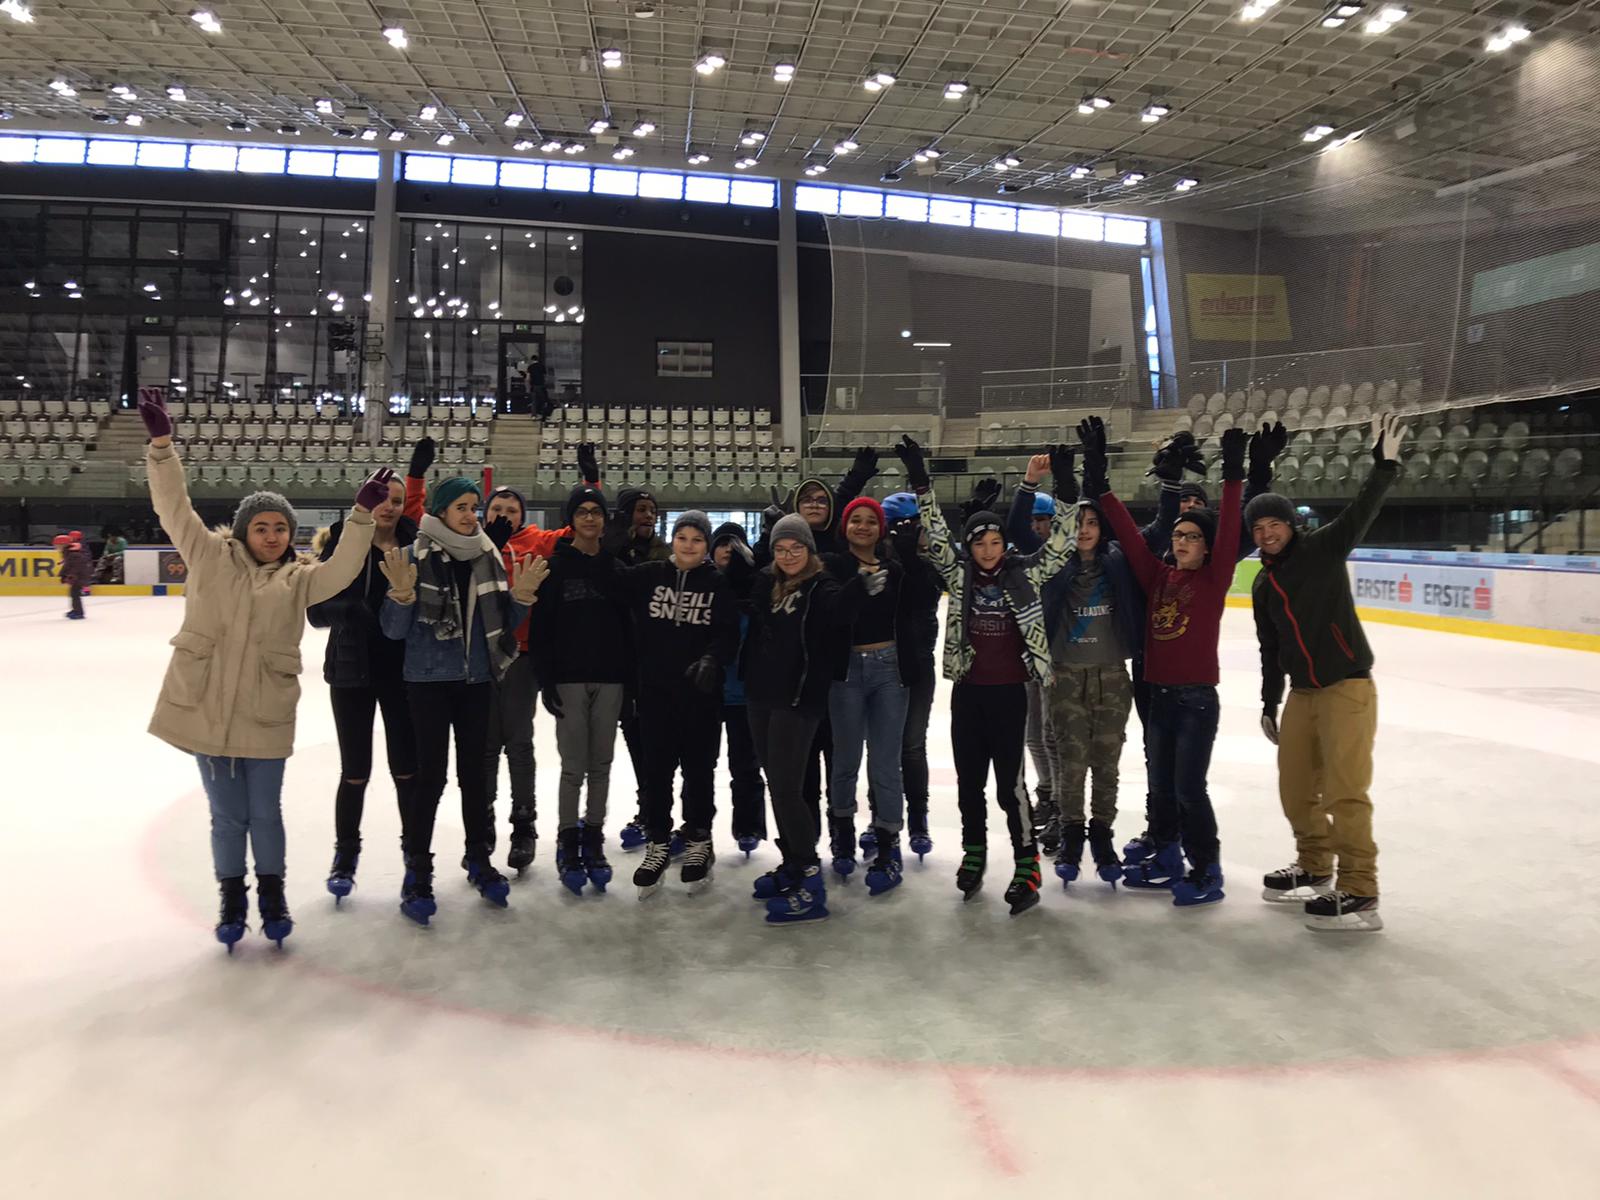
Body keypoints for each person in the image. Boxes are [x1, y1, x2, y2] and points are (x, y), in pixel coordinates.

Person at [137, 390, 389, 950]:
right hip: (205, 708)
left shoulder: (300, 578)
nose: (272, 536)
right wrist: (162, 447)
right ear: (244, 530)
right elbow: (172, 506)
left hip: (264, 712)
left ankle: (272, 896)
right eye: (262, 527)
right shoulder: (207, 555)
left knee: (265, 813)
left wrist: (361, 517)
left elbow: (345, 568)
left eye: (280, 528)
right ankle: (232, 898)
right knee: (227, 817)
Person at [897, 434, 1076, 916]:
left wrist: (1065, 486)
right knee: (970, 784)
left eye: (996, 542)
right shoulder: (960, 576)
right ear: (971, 547)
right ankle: (973, 852)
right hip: (969, 696)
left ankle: (1026, 863)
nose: (990, 550)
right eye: (981, 543)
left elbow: (1062, 545)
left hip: (1010, 697)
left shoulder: (1024, 573)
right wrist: (920, 480)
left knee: (1010, 788)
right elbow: (936, 532)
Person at [403, 438, 602, 872]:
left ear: (522, 516)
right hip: (475, 659)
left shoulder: (537, 541)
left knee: (519, 741)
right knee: (485, 746)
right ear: (484, 512)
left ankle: (524, 823)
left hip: (521, 656)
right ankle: (485, 820)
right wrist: (416, 476)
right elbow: (419, 517)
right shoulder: (469, 541)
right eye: (497, 508)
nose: (505, 515)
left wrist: (590, 481)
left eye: (513, 510)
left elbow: (583, 528)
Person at [1252, 414, 1407, 933]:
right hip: (1302, 693)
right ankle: (1315, 865)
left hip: (1346, 685)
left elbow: (1361, 512)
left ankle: (1360, 887)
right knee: (1296, 788)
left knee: (1345, 791)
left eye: (1274, 524)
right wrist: (1269, 701)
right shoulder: (1263, 585)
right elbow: (1270, 647)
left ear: (1290, 524)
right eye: (1258, 528)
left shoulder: (1322, 549)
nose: (1267, 533)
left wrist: (1384, 467)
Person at [1082, 416, 1245, 907]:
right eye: (1178, 535)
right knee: (1162, 784)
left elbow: (1231, 526)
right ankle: (1169, 856)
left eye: (1192, 536)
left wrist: (1234, 474)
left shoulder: (1213, 579)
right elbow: (1128, 535)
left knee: (1190, 790)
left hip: (1196, 702)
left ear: (1208, 547)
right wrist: (1099, 482)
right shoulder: (1158, 576)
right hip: (1160, 699)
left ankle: (1207, 869)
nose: (1181, 542)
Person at [378, 477, 549, 924]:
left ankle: (478, 857)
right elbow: (393, 630)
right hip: (428, 681)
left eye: (474, 506)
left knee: (474, 776)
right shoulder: (413, 556)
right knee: (431, 778)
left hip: (476, 680)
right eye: (462, 507)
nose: (472, 515)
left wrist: (522, 599)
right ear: (440, 510)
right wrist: (400, 597)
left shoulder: (486, 555)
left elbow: (502, 624)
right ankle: (418, 870)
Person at [736, 514, 881, 924]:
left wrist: (860, 589)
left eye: (796, 548)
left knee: (786, 789)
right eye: (781, 549)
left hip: (798, 700)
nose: (788, 556)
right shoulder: (768, 584)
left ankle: (811, 881)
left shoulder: (821, 586)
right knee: (778, 785)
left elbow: (839, 609)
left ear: (809, 550)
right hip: (762, 696)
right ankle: (793, 864)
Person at [615, 510, 741, 898]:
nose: (688, 545)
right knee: (657, 772)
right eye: (682, 537)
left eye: (697, 539)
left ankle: (699, 838)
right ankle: (658, 841)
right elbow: (610, 579)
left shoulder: (717, 583)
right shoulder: (650, 575)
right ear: (672, 539)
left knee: (699, 771)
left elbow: (728, 633)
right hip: (655, 695)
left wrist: (712, 660)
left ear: (706, 545)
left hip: (701, 697)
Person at [822, 494, 942, 894]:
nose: (863, 527)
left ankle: (888, 842)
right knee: (845, 759)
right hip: (846, 672)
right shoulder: (834, 564)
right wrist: (857, 587)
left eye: (870, 521)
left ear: (881, 529)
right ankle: (842, 831)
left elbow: (925, 598)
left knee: (886, 762)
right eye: (856, 520)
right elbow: (833, 611)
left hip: (890, 669)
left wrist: (909, 557)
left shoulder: (895, 568)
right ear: (845, 526)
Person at [306, 475, 417, 903]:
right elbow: (315, 610)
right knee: (354, 771)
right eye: (383, 499)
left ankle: (414, 854)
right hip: (351, 668)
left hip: (403, 671)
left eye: (397, 501)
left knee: (406, 769)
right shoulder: (342, 541)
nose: (389, 507)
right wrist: (350, 611)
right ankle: (345, 856)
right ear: (368, 502)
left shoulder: (415, 544)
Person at [532, 483, 631, 895]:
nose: (590, 518)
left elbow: (628, 628)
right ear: (570, 520)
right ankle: (567, 840)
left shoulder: (616, 569)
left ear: (605, 520)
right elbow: (541, 629)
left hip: (610, 678)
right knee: (574, 766)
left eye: (596, 511)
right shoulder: (554, 568)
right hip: (569, 679)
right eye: (582, 511)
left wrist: (630, 681)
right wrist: (545, 679)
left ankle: (593, 836)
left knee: (602, 764)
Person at [877, 492, 941, 860]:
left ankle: (918, 817)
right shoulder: (876, 562)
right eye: (902, 526)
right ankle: (881, 817)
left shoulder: (929, 564)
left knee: (912, 746)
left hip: (917, 664)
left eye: (915, 526)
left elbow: (926, 596)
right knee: (882, 747)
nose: (910, 533)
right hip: (881, 662)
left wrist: (911, 561)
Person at [712, 523, 768, 855]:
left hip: (743, 693)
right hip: (706, 690)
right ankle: (695, 826)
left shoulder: (756, 588)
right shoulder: (703, 585)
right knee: (697, 766)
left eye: (735, 544)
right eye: (722, 543)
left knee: (745, 765)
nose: (728, 550)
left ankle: (749, 824)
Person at [54, 531, 92, 620]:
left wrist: (71, 575)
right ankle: (76, 610)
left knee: (75, 594)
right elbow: (67, 565)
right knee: (74, 594)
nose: (56, 547)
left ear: (63, 545)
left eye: (57, 545)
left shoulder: (73, 554)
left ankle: (78, 612)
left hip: (80, 577)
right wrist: (63, 575)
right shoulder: (68, 553)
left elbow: (76, 566)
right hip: (78, 576)